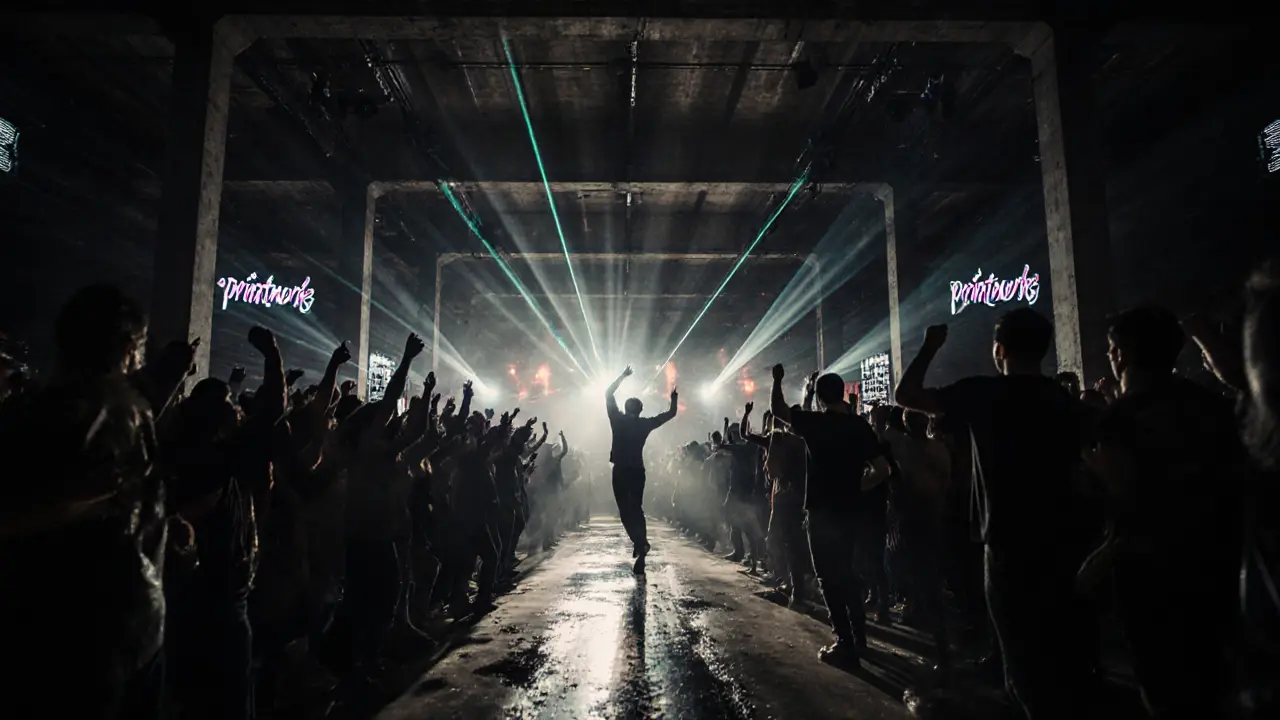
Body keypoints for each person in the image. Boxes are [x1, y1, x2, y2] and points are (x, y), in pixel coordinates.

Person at [895, 309, 1092, 719]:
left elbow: (906, 395)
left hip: (1007, 540)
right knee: (1054, 648)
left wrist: (930, 347)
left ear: (999, 350)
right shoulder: (1062, 399)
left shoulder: (984, 393)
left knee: (1021, 655)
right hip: (1065, 539)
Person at [771, 363, 890, 666]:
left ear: (821, 399)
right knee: (847, 573)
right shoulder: (859, 426)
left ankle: (844, 644)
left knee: (827, 576)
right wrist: (859, 486)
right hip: (851, 510)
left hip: (822, 511)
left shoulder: (816, 423)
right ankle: (859, 638)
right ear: (842, 394)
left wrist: (778, 379)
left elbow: (778, 410)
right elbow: (882, 469)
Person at [605, 365, 677, 574]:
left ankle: (640, 542)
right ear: (640, 410)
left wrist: (622, 376)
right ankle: (641, 545)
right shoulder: (645, 424)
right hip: (637, 470)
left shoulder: (617, 420)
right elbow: (671, 413)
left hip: (620, 470)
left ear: (626, 408)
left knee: (625, 511)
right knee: (636, 509)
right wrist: (674, 397)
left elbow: (608, 393)